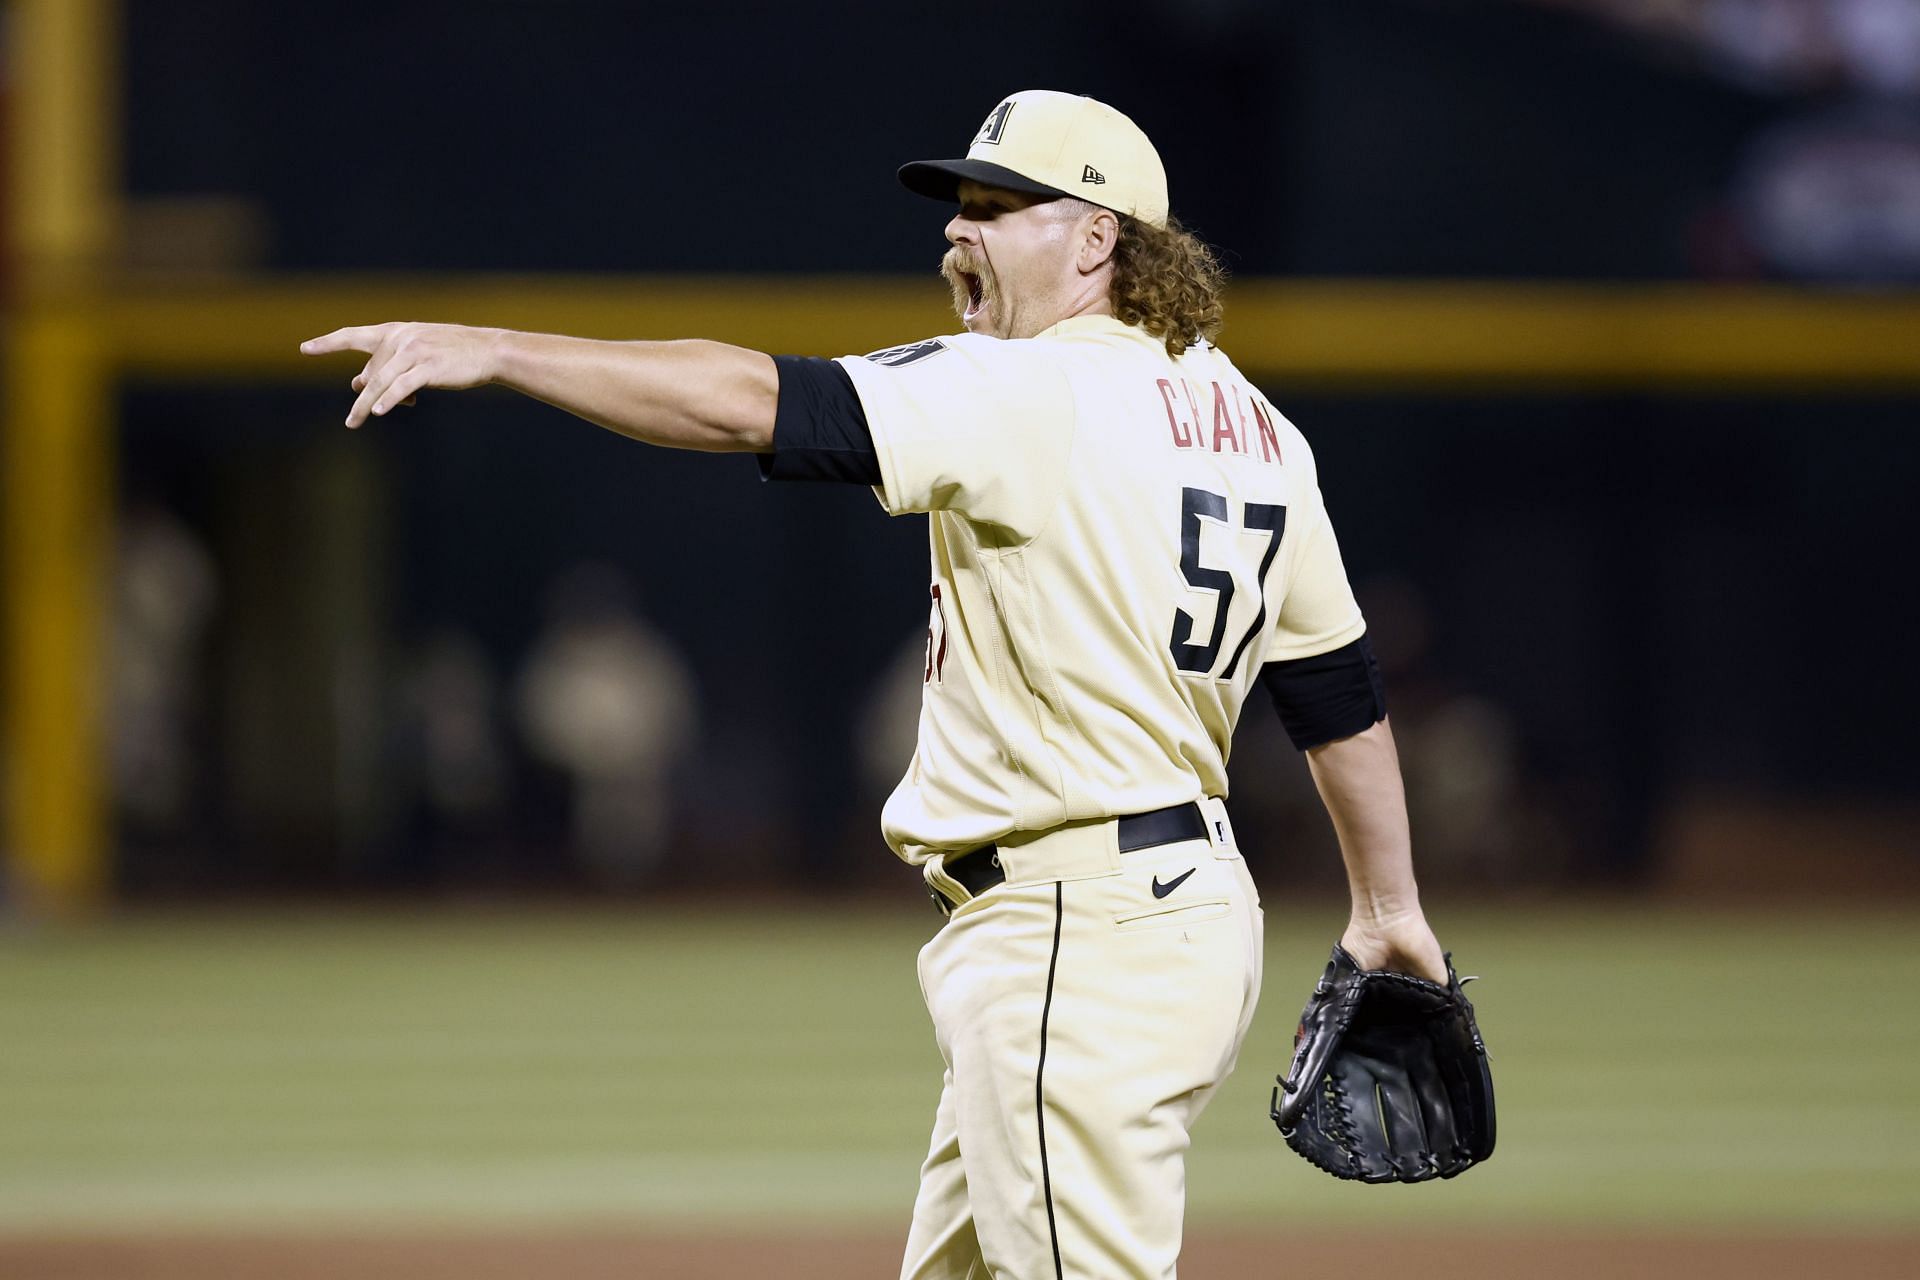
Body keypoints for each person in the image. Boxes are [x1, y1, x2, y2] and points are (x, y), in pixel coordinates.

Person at [302, 88, 1450, 1280]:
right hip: (1186, 912)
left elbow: (753, 399)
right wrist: (1387, 903)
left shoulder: (1028, 388)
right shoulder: (1259, 427)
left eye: (998, 207)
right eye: (959, 206)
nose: (960, 232)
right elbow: (1334, 691)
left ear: (1097, 241)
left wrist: (500, 349)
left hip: (1077, 925)